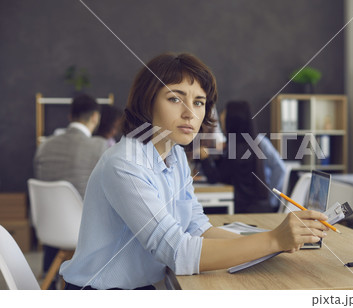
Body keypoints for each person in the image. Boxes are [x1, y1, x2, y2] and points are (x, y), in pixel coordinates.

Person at [59, 53, 328, 290]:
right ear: (147, 102)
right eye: (175, 98)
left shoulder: (174, 154)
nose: (190, 113)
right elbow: (177, 252)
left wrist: (275, 242)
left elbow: (197, 228)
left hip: (148, 287)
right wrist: (272, 240)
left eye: (199, 102)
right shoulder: (124, 163)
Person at [33, 94, 107, 287]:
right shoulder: (99, 146)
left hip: (48, 229)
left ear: (70, 116)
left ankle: (49, 279)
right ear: (95, 117)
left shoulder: (45, 145)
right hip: (83, 232)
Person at [200, 100, 286, 213]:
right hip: (258, 205)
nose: (222, 119)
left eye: (225, 117)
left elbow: (216, 177)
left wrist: (204, 158)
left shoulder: (238, 148)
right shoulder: (250, 143)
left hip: (247, 209)